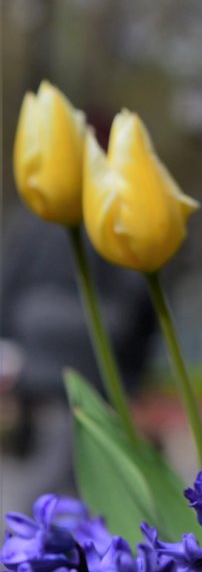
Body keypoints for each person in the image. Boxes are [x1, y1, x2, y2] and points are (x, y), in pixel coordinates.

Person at [0, 214, 155, 501]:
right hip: (94, 350)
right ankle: (47, 530)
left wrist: (8, 341)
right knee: (67, 451)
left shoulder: (36, 216)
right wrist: (134, 378)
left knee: (57, 445)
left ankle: (39, 530)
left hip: (41, 345)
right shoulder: (117, 215)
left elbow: (10, 281)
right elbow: (140, 296)